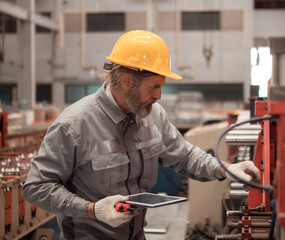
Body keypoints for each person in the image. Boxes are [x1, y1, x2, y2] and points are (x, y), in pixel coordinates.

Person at [22, 30, 260, 240]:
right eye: (154, 87)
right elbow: (36, 186)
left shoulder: (154, 115)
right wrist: (92, 209)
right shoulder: (74, 126)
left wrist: (225, 168)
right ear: (127, 81)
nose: (159, 96)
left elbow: (185, 157)